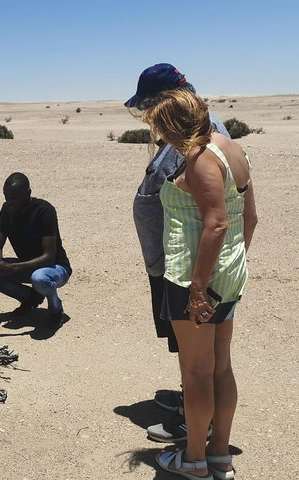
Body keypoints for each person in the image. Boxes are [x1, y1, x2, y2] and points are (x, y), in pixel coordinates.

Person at [142, 89, 257, 480]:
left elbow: (217, 224)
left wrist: (197, 286)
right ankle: (219, 455)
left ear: (174, 125)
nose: (160, 138)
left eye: (160, 128)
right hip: (225, 273)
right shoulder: (233, 150)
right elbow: (249, 219)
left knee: (196, 372)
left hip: (195, 276)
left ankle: (193, 460)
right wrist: (230, 265)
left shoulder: (200, 157)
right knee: (220, 367)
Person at [125, 63, 232, 442]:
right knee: (188, 348)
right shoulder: (186, 128)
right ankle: (191, 400)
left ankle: (195, 426)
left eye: (150, 106)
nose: (149, 118)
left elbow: (217, 218)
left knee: (200, 358)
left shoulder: (201, 134)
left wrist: (203, 281)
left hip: (185, 265)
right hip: (173, 261)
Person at [0, 173, 72, 323]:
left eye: (15, 198)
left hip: (55, 268)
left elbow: (49, 257)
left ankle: (56, 309)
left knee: (39, 278)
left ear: (28, 194)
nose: (10, 202)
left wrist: (12, 268)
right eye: (7, 197)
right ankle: (31, 297)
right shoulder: (7, 210)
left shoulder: (44, 211)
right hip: (25, 266)